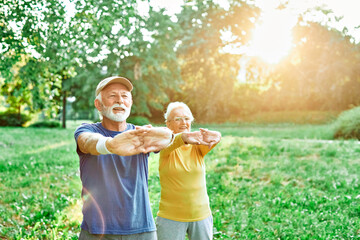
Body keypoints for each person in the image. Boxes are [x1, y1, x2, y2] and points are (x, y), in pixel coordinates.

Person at [74, 76, 174, 240]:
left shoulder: (140, 134)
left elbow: (167, 136)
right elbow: (87, 142)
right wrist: (110, 145)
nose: (119, 100)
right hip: (97, 230)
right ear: (98, 104)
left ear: (130, 103)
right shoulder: (87, 130)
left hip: (142, 229)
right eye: (112, 95)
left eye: (125, 96)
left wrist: (168, 135)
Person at [156, 102, 222, 240]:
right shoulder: (164, 145)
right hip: (171, 217)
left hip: (201, 215)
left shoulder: (197, 146)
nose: (183, 122)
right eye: (178, 119)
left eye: (186, 118)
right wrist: (184, 138)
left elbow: (213, 139)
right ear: (168, 124)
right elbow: (173, 142)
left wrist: (217, 135)